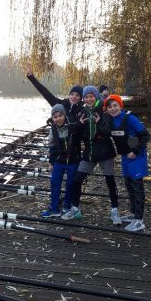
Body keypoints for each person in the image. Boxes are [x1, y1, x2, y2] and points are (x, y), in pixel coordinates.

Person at [61, 86, 121, 224]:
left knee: (110, 181)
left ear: (96, 97)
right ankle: (75, 209)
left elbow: (108, 132)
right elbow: (76, 136)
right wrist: (79, 125)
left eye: (91, 96)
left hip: (105, 149)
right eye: (86, 97)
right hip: (90, 151)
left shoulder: (104, 110)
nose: (88, 99)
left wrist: (99, 122)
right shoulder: (82, 113)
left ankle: (114, 211)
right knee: (77, 180)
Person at [103, 94, 150, 232]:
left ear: (120, 106)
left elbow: (146, 135)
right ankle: (134, 214)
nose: (113, 109)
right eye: (109, 107)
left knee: (137, 187)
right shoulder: (110, 120)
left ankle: (139, 220)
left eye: (115, 105)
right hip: (125, 157)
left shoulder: (130, 118)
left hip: (137, 156)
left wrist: (135, 152)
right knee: (129, 185)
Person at [41, 104, 83, 218]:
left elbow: (81, 139)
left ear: (64, 116)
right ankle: (54, 208)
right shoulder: (53, 130)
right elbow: (52, 148)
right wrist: (51, 163)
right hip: (59, 161)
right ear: (52, 118)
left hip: (73, 160)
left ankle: (67, 206)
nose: (58, 119)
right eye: (55, 117)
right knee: (55, 183)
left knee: (70, 184)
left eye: (60, 116)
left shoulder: (72, 127)